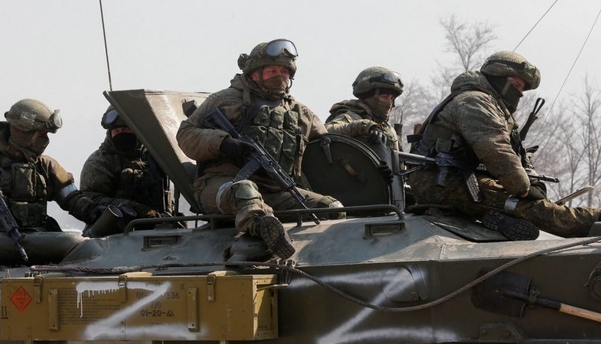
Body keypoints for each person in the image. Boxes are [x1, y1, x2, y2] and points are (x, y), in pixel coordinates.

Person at [0, 99, 104, 315]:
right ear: (23, 131)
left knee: (75, 242)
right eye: (41, 134)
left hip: (36, 241)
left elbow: (70, 197)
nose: (45, 140)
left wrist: (93, 211)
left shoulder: (46, 165)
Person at [176, 39, 343, 260]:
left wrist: (360, 128)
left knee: (331, 207)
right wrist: (222, 143)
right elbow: (186, 133)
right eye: (272, 71)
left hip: (276, 191)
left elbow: (329, 137)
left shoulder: (299, 112)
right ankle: (266, 230)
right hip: (223, 187)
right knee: (245, 191)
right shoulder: (226, 100)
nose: (280, 76)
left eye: (284, 71)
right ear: (254, 74)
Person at [409, 51, 601, 239]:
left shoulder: (493, 107)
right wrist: (523, 188)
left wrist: (531, 181)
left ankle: (497, 218)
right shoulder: (473, 101)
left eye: (522, 88)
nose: (520, 93)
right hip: (439, 182)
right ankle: (594, 220)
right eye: (516, 85)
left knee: (517, 202)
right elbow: (496, 150)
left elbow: (513, 154)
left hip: (456, 179)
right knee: (524, 206)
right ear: (498, 78)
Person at [80, 106, 169, 219]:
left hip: (159, 224)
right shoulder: (100, 161)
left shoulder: (155, 156)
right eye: (116, 131)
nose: (121, 134)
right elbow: (89, 199)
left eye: (126, 129)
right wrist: (134, 208)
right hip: (116, 227)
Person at [326, 66, 404, 151]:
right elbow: (326, 131)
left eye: (392, 98)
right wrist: (365, 126)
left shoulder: (388, 129)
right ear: (369, 97)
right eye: (384, 96)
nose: (389, 103)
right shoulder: (351, 118)